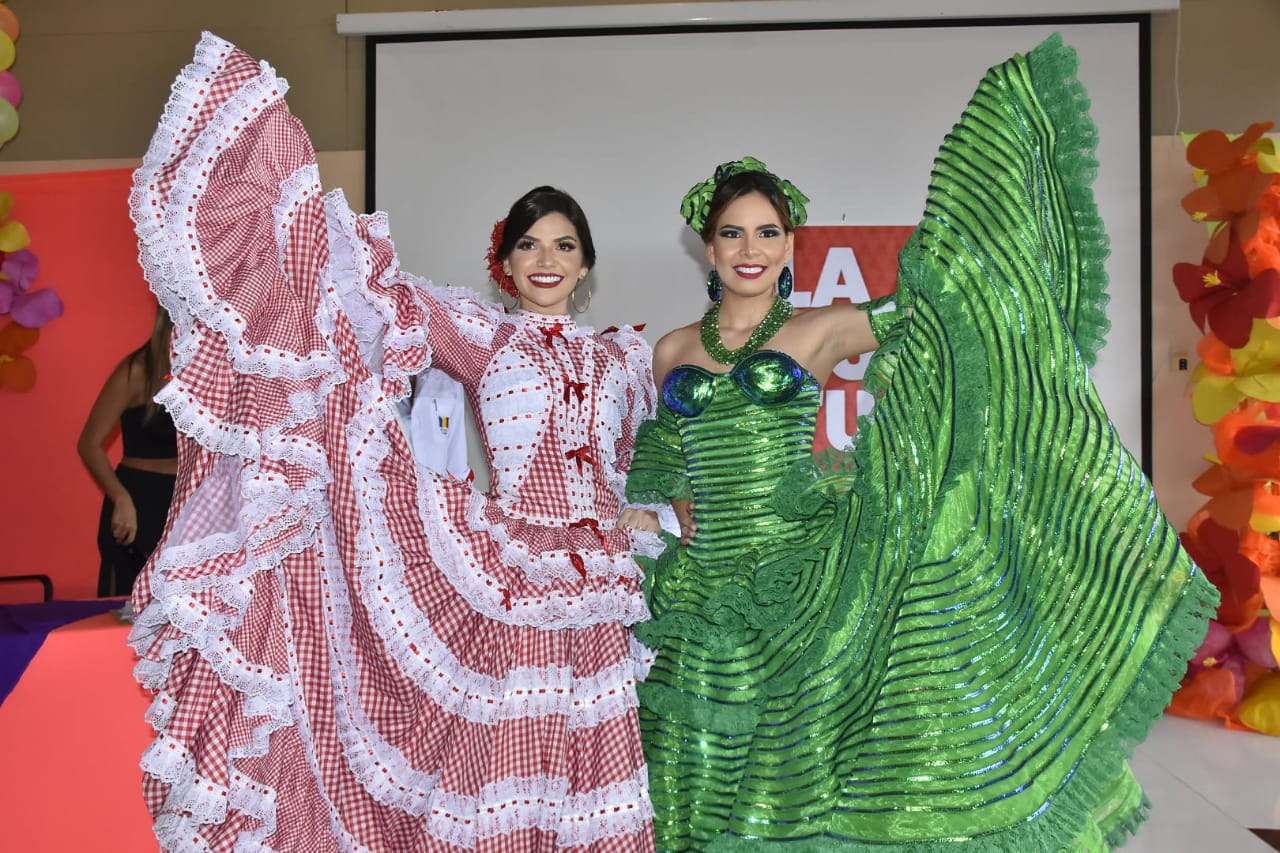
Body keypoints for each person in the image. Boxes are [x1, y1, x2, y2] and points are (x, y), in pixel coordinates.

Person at [626, 36, 1216, 852]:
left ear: (791, 243)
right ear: (709, 244)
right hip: (702, 585)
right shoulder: (671, 349)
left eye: (767, 232)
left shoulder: (820, 331)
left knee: (800, 766)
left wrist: (977, 249)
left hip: (800, 571)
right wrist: (660, 496)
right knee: (701, 760)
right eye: (733, 233)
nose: (750, 249)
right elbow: (659, 439)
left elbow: (934, 314)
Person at [128, 34, 660, 852]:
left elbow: (638, 461)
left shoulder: (625, 355)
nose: (546, 260)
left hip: (603, 582)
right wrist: (291, 197)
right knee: (504, 773)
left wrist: (656, 518)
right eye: (528, 244)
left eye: (563, 245)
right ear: (505, 263)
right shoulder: (479, 333)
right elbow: (357, 291)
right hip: (513, 577)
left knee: (594, 781)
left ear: (587, 263)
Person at [77, 307, 177, 597]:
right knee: (126, 612)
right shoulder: (138, 370)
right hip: (138, 502)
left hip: (184, 501)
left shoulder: (205, 371)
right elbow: (89, 444)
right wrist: (120, 498)